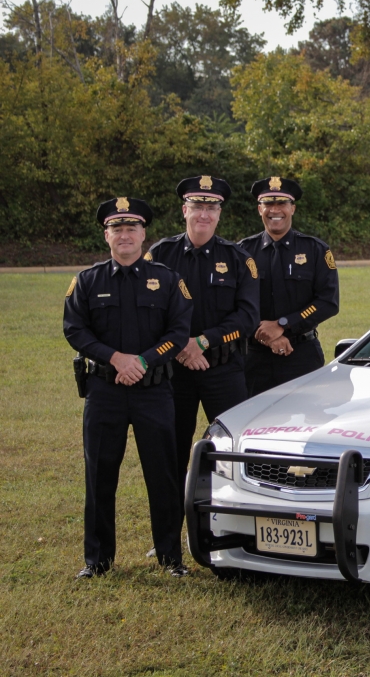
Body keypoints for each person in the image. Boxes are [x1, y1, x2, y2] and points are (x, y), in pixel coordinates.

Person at [63, 197, 193, 579]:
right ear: (107, 236)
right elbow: (74, 329)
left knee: (163, 474)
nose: (124, 235)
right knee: (100, 474)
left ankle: (170, 558)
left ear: (143, 235)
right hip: (104, 391)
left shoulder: (168, 280)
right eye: (116, 229)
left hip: (154, 391)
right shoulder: (88, 281)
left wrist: (143, 361)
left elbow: (178, 332)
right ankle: (98, 561)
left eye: (131, 228)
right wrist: (116, 358)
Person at [146, 176, 259, 540]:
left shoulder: (239, 259)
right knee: (170, 454)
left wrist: (204, 342)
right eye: (197, 207)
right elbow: (148, 312)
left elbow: (247, 316)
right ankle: (167, 537)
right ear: (185, 210)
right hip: (173, 374)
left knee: (232, 452)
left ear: (219, 214)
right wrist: (182, 346)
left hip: (223, 370)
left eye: (212, 208)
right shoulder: (159, 255)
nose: (204, 214)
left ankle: (234, 529)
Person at [239, 176, 339, 396]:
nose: (275, 210)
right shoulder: (243, 252)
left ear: (292, 208)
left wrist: (284, 324)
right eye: (268, 204)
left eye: (282, 203)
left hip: (301, 355)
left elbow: (327, 302)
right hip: (254, 357)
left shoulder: (316, 250)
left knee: (306, 424)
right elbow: (234, 304)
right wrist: (267, 334)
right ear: (259, 209)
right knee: (253, 425)